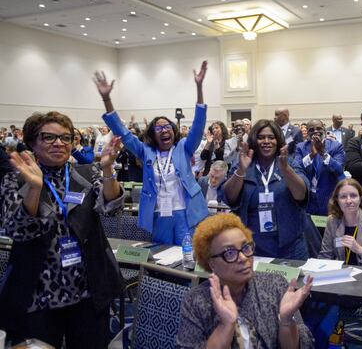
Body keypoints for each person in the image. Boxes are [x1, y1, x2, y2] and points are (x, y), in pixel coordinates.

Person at [0, 111, 124, 348]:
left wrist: (107, 170)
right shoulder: (16, 179)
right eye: (48, 137)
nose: (58, 143)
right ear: (33, 142)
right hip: (38, 295)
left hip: (88, 290)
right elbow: (18, 230)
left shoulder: (87, 173)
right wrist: (34, 188)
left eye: (65, 137)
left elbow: (112, 209)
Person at [94, 62, 209, 245]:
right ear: (152, 134)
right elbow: (123, 132)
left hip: (185, 212)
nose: (164, 130)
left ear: (173, 130)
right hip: (158, 213)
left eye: (167, 126)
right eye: (159, 128)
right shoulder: (145, 151)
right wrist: (107, 99)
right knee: (163, 257)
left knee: (188, 256)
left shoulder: (184, 148)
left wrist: (199, 87)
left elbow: (198, 125)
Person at [177, 213, 314, 348]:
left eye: (245, 247)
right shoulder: (196, 302)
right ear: (211, 264)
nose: (243, 258)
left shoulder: (275, 285)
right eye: (230, 253)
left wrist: (286, 321)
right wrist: (226, 326)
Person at [222, 119, 310, 259]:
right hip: (252, 247)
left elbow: (302, 195)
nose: (266, 141)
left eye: (271, 137)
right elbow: (229, 197)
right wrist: (241, 170)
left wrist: (286, 170)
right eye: (261, 137)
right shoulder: (244, 162)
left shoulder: (288, 162)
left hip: (290, 248)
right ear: (254, 140)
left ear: (278, 140)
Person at [294, 119, 346, 216]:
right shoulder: (300, 147)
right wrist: (311, 155)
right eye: (311, 130)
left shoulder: (336, 146)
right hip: (307, 198)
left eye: (318, 128)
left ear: (324, 130)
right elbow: (295, 169)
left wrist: (323, 153)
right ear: (307, 132)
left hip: (328, 197)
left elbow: (339, 169)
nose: (315, 131)